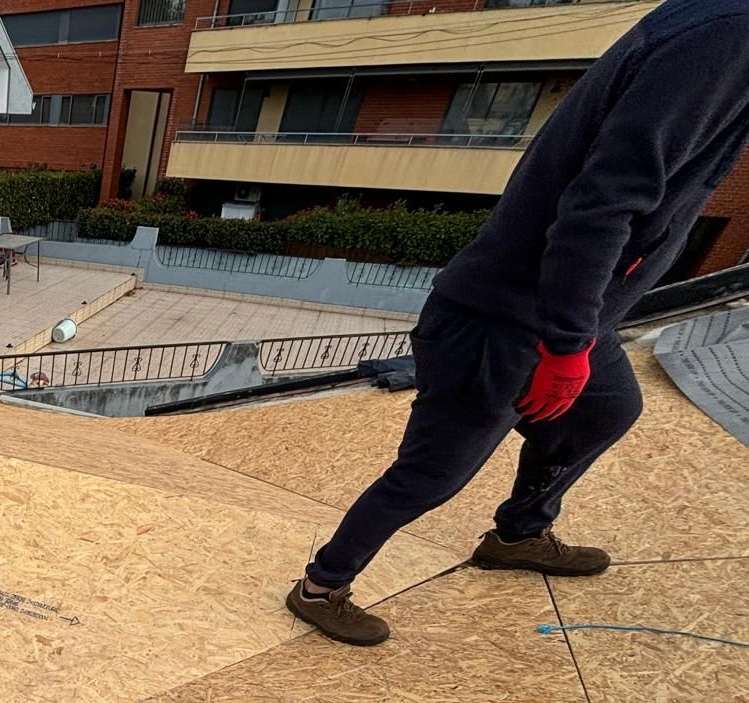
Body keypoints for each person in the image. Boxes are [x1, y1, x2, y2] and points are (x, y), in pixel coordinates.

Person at [286, 0, 749, 646]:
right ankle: (320, 586)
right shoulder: (728, 38)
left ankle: (519, 533)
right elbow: (601, 201)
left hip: (572, 315)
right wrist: (563, 346)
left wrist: (577, 335)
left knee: (609, 407)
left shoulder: (714, 25)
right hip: (501, 321)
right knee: (429, 476)